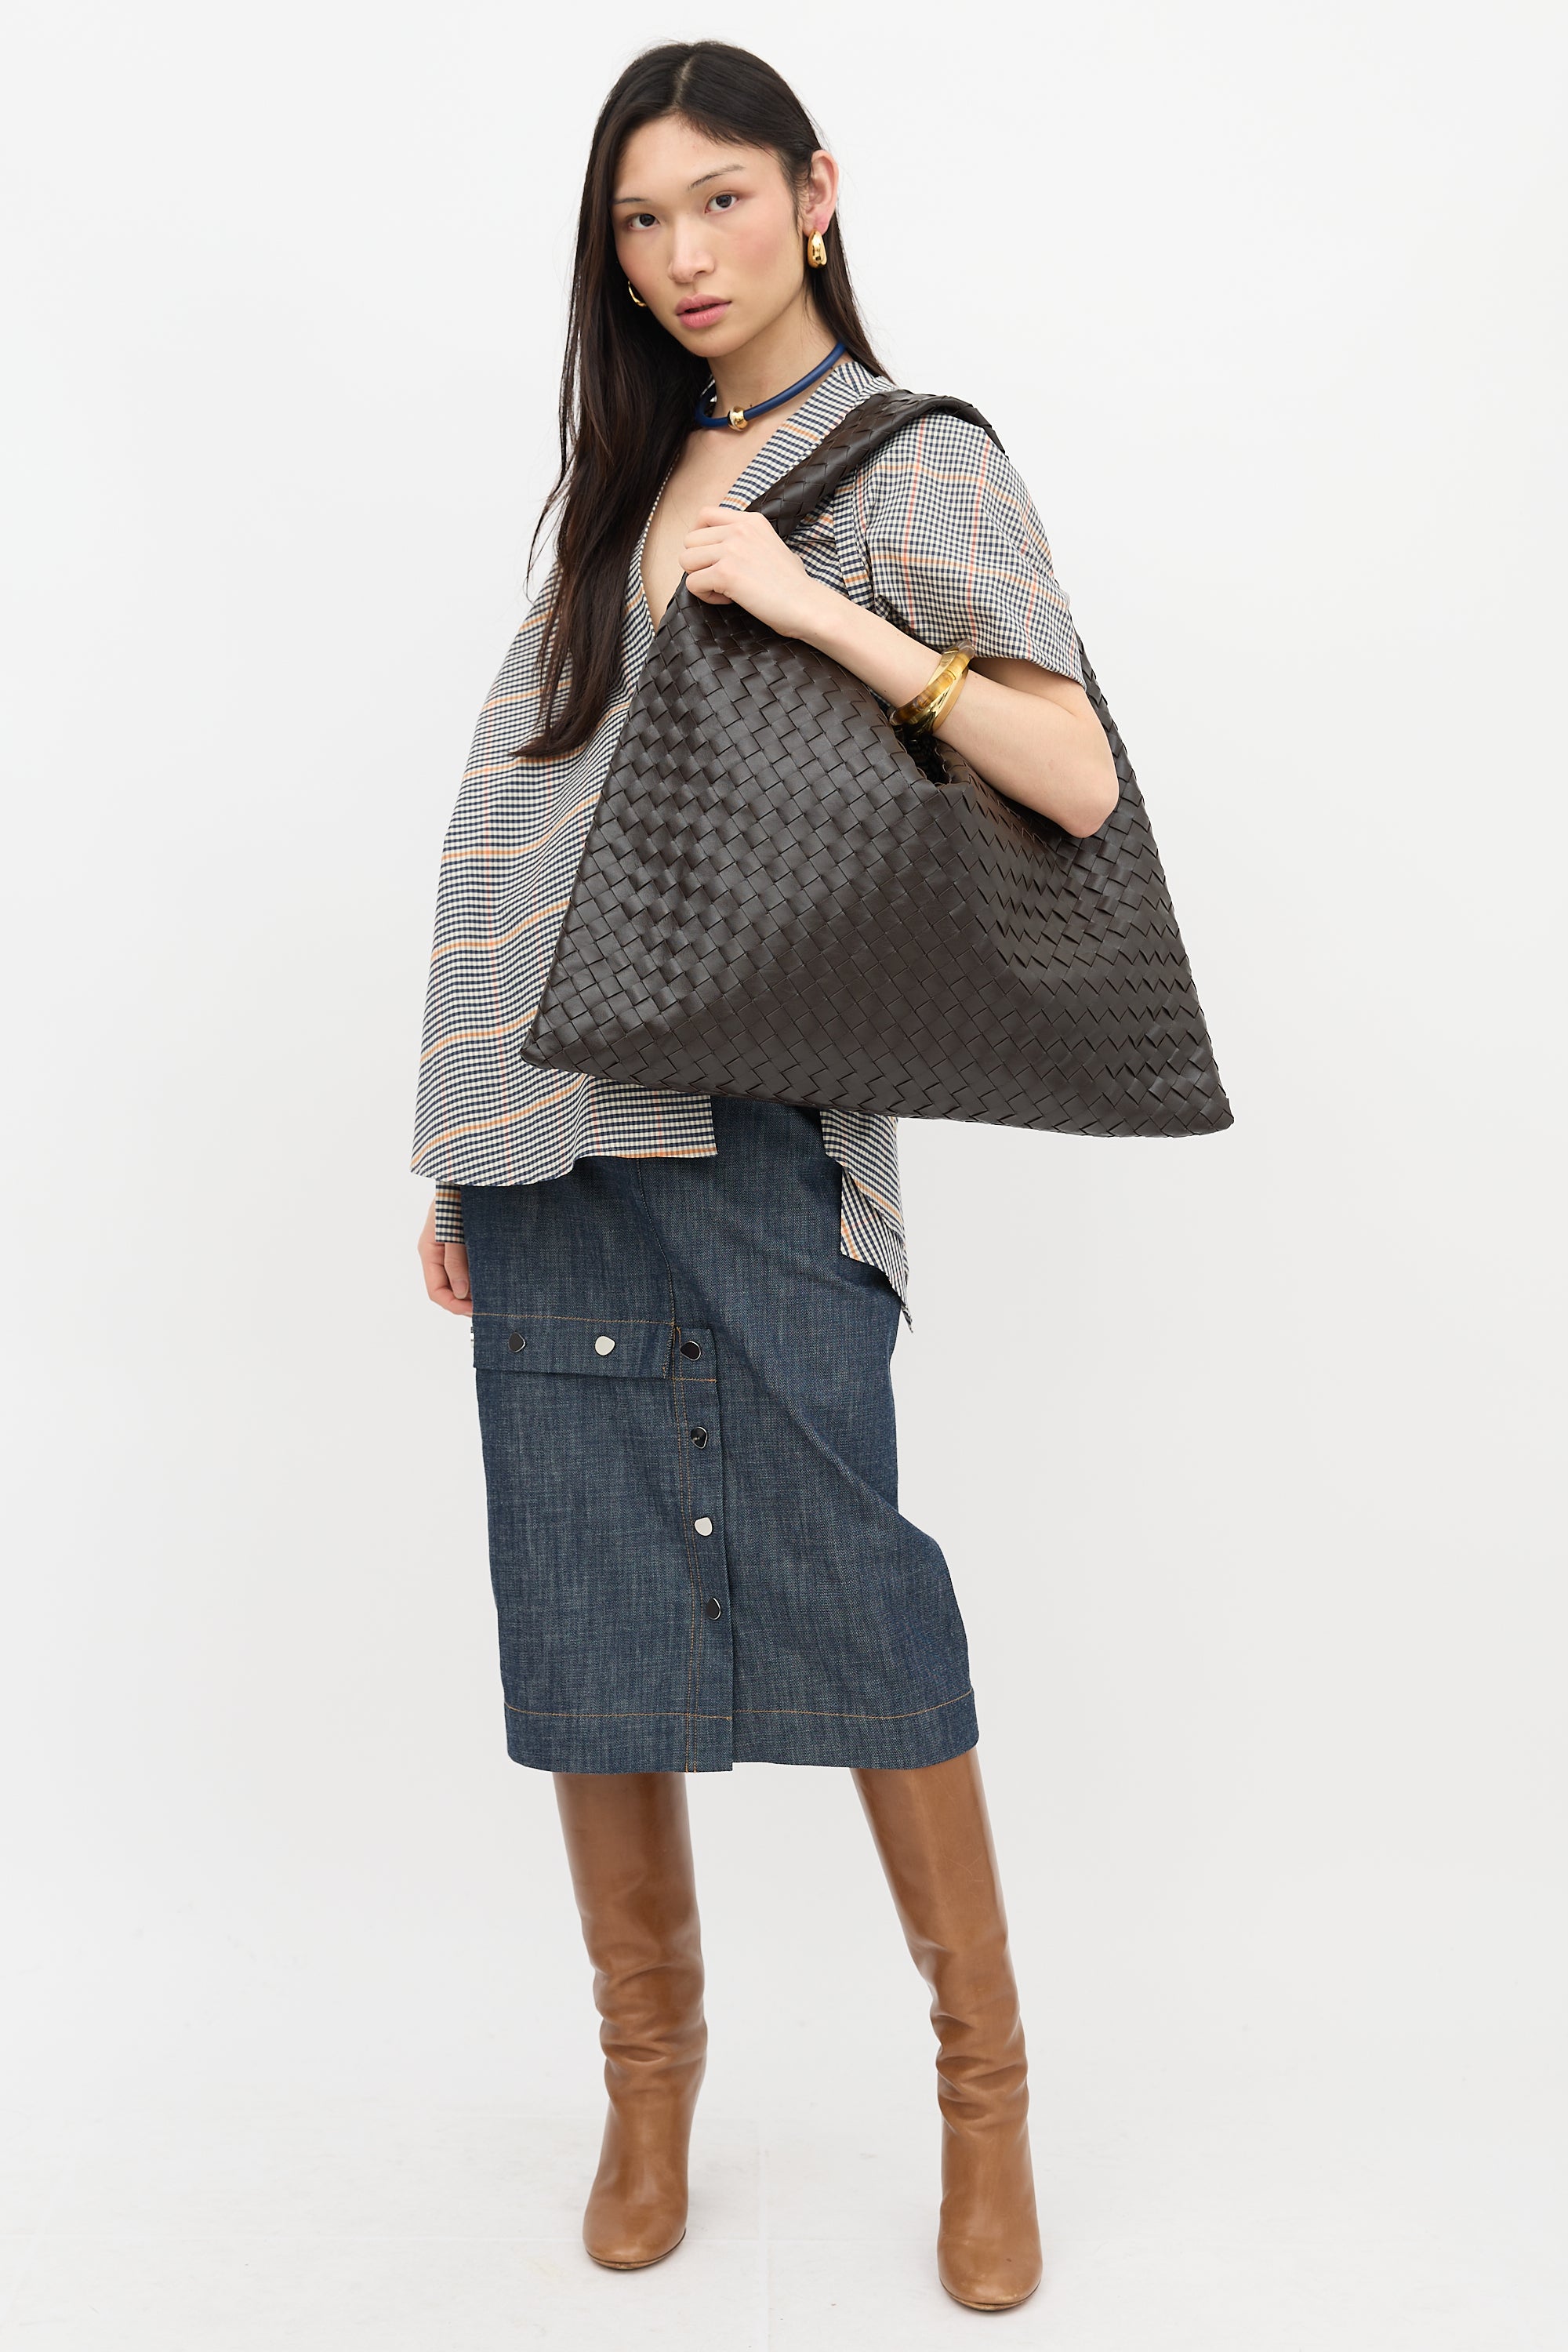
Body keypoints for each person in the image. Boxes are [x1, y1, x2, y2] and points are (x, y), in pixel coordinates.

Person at [412, 39, 1118, 2314]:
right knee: (585, 1611)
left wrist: (818, 608)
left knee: (865, 1598)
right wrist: (461, 1141)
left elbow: (1075, 777)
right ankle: (650, 2088)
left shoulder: (912, 462)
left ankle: (985, 2100)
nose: (682, 255)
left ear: (818, 193)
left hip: (757, 1128)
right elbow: (526, 812)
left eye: (719, 199)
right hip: (549, 1134)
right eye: (640, 222)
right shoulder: (619, 475)